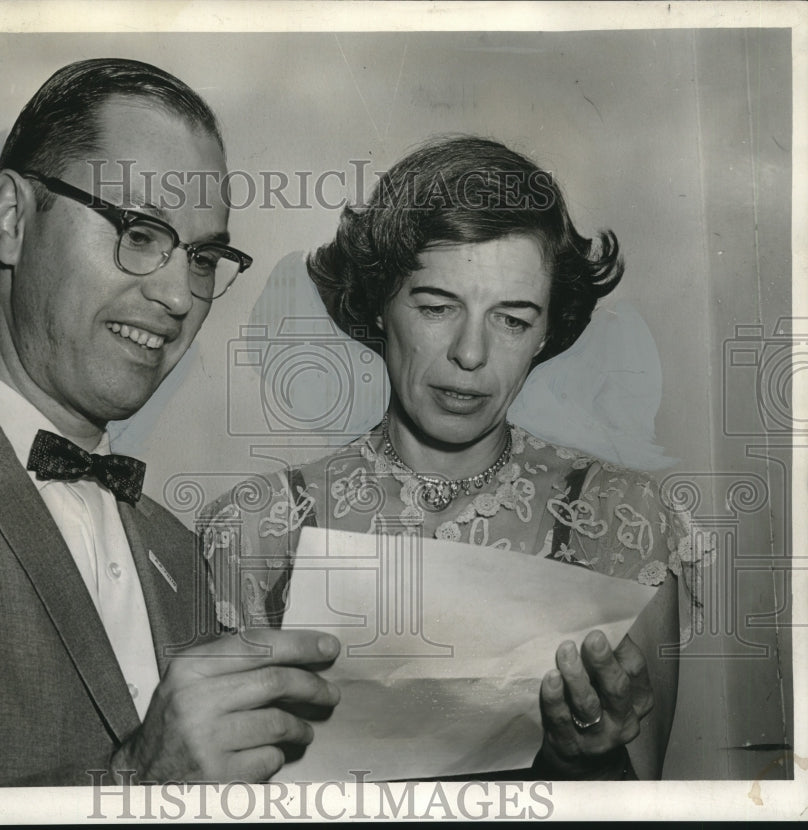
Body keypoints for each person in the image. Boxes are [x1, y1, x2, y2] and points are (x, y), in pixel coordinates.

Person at [0, 58, 341, 788]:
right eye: (139, 232)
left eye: (202, 258)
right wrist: (138, 784)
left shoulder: (178, 551)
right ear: (11, 219)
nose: (177, 296)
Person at [200, 135, 708, 781]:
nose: (471, 353)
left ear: (547, 331)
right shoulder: (257, 525)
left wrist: (586, 758)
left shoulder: (627, 520)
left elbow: (644, 800)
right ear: (381, 304)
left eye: (513, 320)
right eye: (437, 307)